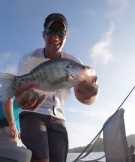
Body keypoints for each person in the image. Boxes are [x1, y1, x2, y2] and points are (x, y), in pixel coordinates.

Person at [14, 13, 98, 162]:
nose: (55, 36)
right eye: (51, 31)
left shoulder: (73, 62)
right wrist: (24, 100)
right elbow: (19, 98)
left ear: (66, 36)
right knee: (41, 158)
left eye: (61, 32)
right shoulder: (29, 59)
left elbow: (86, 99)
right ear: (43, 34)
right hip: (32, 114)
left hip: (58, 118)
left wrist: (90, 93)